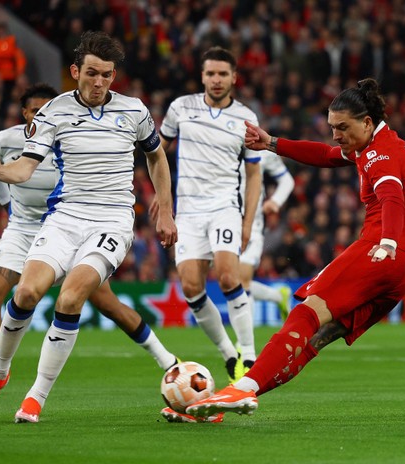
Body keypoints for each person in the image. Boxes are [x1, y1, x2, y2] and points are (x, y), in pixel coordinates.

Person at [0, 31, 177, 424]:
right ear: (75, 71)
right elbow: (27, 166)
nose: (99, 83)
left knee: (70, 298)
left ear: (115, 75)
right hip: (65, 216)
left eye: (107, 75)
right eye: (92, 73)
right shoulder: (54, 112)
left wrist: (165, 208)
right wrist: (1, 171)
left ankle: (36, 396)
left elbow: (157, 158)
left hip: (112, 219)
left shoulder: (134, 111)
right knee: (26, 291)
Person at [187, 78, 405, 419]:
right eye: (332, 127)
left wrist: (387, 240)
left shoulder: (380, 153)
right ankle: (237, 395)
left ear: (367, 122)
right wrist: (272, 142)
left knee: (305, 312)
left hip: (381, 250)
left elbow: (391, 196)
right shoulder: (379, 145)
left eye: (342, 128)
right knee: (316, 338)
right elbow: (328, 156)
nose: (335, 135)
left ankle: (242, 388)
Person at [152, 46, 262, 423]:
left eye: (223, 74)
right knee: (191, 287)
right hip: (188, 209)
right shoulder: (181, 108)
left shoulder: (246, 118)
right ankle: (228, 354)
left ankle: (248, 356)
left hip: (224, 208)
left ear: (234, 78)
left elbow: (254, 172)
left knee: (229, 275)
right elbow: (158, 153)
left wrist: (247, 220)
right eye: (210, 73)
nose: (216, 79)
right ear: (202, 77)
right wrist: (162, 199)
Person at [239, 151, 295, 321]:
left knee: (242, 280)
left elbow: (287, 180)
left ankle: (244, 345)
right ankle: (279, 296)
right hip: (223, 223)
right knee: (230, 281)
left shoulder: (262, 153)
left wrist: (275, 201)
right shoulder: (218, 146)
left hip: (252, 224)